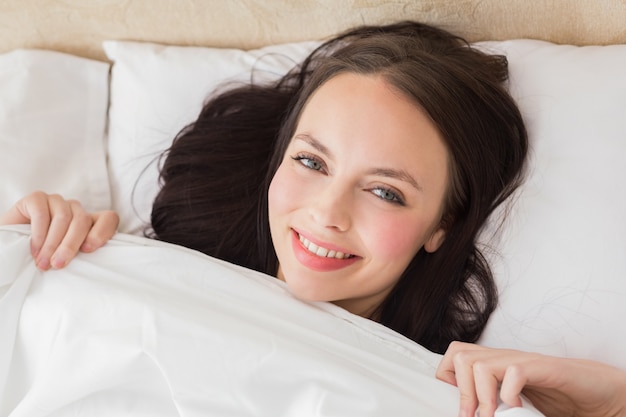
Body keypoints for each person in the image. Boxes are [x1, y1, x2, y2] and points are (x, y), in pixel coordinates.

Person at [1, 21, 624, 417]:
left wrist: (609, 403)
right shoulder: (140, 273)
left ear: (442, 224)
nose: (326, 213)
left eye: (385, 192)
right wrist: (22, 244)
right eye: (311, 161)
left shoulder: (439, 391)